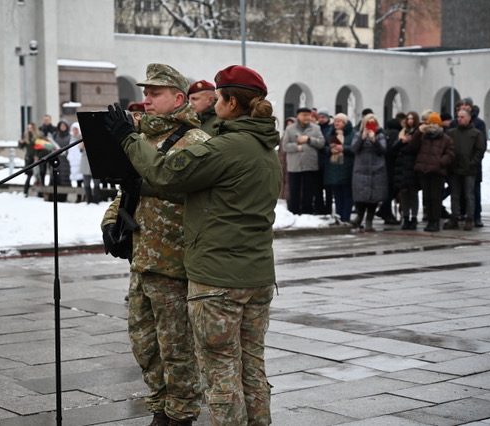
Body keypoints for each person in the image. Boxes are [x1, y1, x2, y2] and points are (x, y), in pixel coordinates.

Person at [104, 64, 281, 426]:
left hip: (217, 276)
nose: (213, 102)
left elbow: (168, 175)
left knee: (221, 374)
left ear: (232, 102)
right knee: (251, 368)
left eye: (218, 96)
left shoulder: (223, 146)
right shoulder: (264, 147)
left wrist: (127, 138)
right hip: (255, 272)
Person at [102, 64, 210, 426]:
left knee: (177, 348)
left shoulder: (194, 142)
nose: (146, 99)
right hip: (143, 259)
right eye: (145, 92)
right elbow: (126, 189)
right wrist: (110, 222)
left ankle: (180, 415)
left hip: (174, 263)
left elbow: (180, 187)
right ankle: (161, 406)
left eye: (155, 93)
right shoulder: (142, 140)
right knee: (144, 343)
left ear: (178, 99)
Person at [410, 112, 455, 232]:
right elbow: (413, 146)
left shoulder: (446, 138)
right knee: (427, 198)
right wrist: (419, 131)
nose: (432, 126)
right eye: (430, 123)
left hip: (437, 172)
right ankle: (429, 220)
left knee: (435, 198)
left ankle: (435, 221)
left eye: (434, 123)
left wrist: (441, 162)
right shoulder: (424, 136)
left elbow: (450, 153)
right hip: (424, 171)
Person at [444, 109, 486, 231]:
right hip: (454, 169)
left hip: (469, 170)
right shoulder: (452, 133)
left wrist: (472, 163)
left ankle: (470, 219)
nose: (459, 119)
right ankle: (455, 218)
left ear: (468, 118)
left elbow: (480, 151)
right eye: (458, 117)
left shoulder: (476, 133)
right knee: (455, 195)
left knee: (469, 195)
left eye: (462, 117)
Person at [281, 107, 325, 215]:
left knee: (308, 190)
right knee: (294, 190)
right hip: (295, 165)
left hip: (310, 164)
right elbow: (285, 146)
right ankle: (293, 212)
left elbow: (321, 143)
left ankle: (307, 212)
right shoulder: (290, 129)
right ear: (298, 116)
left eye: (308, 115)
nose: (306, 117)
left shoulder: (316, 128)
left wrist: (309, 140)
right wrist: (297, 147)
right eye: (304, 115)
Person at [351, 113, 387, 232]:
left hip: (377, 169)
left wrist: (374, 140)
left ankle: (369, 221)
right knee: (360, 196)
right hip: (361, 169)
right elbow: (354, 149)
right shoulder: (358, 134)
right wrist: (362, 138)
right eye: (368, 123)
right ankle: (359, 217)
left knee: (374, 197)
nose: (371, 126)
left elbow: (383, 150)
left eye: (373, 123)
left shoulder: (380, 135)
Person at [323, 113, 354, 222]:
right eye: (335, 121)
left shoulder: (351, 134)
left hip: (347, 167)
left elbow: (354, 148)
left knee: (347, 194)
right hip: (333, 168)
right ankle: (339, 216)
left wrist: (343, 148)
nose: (337, 123)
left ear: (345, 123)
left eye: (340, 121)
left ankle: (346, 217)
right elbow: (324, 148)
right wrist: (330, 150)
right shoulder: (330, 133)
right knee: (337, 195)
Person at [393, 111, 420, 230]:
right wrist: (402, 142)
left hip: (413, 167)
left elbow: (415, 148)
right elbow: (394, 148)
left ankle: (413, 217)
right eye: (408, 119)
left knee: (413, 194)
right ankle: (406, 217)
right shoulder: (402, 133)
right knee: (403, 194)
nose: (410, 121)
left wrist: (408, 143)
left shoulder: (418, 133)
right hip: (402, 168)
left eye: (412, 119)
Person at [18, 122, 40, 197]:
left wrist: (37, 155)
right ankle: (25, 191)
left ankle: (40, 192)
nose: (29, 129)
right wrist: (20, 142)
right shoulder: (25, 136)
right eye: (28, 128)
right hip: (28, 158)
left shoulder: (37, 136)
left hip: (36, 157)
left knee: (38, 175)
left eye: (30, 128)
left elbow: (39, 147)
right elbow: (21, 147)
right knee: (29, 175)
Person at [66, 122, 84, 203]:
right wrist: (69, 158)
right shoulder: (71, 139)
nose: (75, 131)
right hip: (73, 164)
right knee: (77, 181)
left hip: (80, 163)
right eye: (74, 130)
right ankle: (79, 196)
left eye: (76, 130)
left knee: (82, 180)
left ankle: (82, 196)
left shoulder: (81, 138)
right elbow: (70, 151)